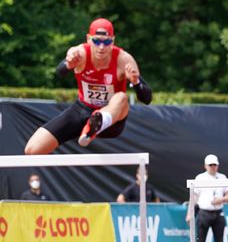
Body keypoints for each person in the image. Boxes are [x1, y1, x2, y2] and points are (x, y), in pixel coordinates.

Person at [24, 18, 152, 155]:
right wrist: (69, 64)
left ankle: (99, 121)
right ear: (88, 39)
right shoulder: (80, 53)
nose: (101, 47)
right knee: (32, 150)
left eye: (106, 42)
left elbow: (146, 99)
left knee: (121, 97)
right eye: (97, 41)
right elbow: (60, 71)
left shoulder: (123, 60)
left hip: (112, 119)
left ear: (113, 41)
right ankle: (91, 126)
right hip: (83, 110)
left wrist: (136, 81)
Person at [186, 154, 228, 242]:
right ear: (205, 166)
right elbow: (193, 198)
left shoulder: (222, 177)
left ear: (218, 165)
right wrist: (189, 213)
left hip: (218, 213)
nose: (213, 167)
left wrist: (220, 200)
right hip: (204, 213)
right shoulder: (200, 178)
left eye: (215, 165)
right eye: (210, 165)